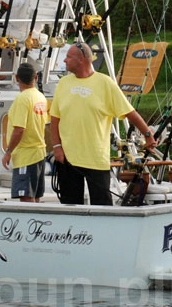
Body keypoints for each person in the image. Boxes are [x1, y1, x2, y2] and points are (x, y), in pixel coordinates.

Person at [50, 41, 157, 205]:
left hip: (96, 158)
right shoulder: (63, 83)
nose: (64, 61)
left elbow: (129, 112)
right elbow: (55, 119)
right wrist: (57, 147)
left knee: (102, 204)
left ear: (81, 60)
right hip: (68, 158)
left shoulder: (105, 83)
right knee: (69, 204)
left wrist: (148, 134)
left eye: (68, 57)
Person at [1, 62, 49, 202]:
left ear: (17, 78)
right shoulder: (41, 97)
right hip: (40, 153)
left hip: (26, 155)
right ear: (36, 78)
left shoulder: (22, 99)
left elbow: (19, 129)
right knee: (36, 195)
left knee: (27, 197)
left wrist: (8, 152)